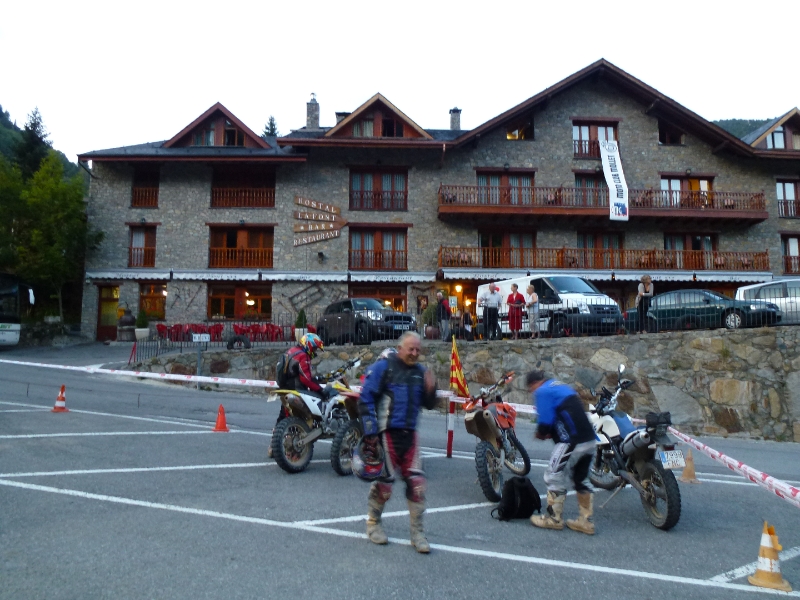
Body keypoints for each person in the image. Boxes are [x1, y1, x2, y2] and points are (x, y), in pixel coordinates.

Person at [357, 332, 438, 553]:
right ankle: (373, 524)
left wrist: (431, 390)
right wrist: (370, 433)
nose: (414, 353)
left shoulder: (421, 372)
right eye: (411, 349)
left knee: (417, 485)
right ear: (400, 348)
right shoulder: (383, 368)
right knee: (384, 486)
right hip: (387, 436)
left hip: (410, 437)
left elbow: (429, 404)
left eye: (418, 350)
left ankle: (418, 534)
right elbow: (365, 398)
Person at [526, 370, 597, 535]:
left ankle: (553, 519)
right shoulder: (561, 387)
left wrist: (540, 434)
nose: (532, 392)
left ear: (534, 384)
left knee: (553, 476)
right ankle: (586, 521)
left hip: (571, 441)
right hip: (589, 440)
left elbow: (545, 422)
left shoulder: (542, 391)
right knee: (581, 479)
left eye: (531, 389)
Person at [268, 333, 325, 458]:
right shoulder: (302, 355)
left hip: (286, 389)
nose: (315, 351)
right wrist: (320, 390)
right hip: (297, 391)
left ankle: (273, 447)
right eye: (315, 348)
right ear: (309, 345)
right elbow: (306, 379)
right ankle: (293, 452)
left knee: (283, 417)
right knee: (301, 419)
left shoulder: (291, 351)